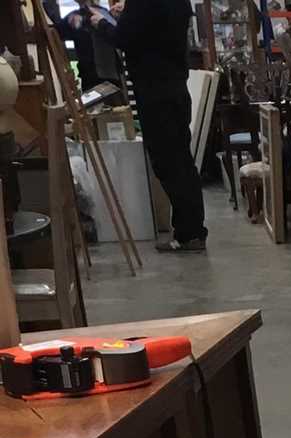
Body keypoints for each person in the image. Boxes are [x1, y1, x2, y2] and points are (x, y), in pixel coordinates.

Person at [90, 0, 207, 251]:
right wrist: (129, 11)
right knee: (180, 160)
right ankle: (193, 230)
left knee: (168, 162)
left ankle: (189, 233)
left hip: (154, 91)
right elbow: (154, 26)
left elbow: (125, 37)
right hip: (174, 86)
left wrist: (101, 23)